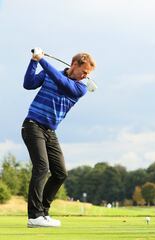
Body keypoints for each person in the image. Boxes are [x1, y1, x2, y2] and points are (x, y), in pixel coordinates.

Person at [22, 48, 96, 228]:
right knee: (42, 168)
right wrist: (34, 61)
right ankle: (34, 216)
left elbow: (61, 81)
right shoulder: (50, 73)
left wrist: (42, 60)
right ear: (74, 65)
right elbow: (28, 84)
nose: (85, 77)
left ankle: (43, 212)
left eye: (88, 74)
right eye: (84, 72)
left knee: (60, 173)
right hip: (33, 125)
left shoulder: (80, 88)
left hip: (50, 132)